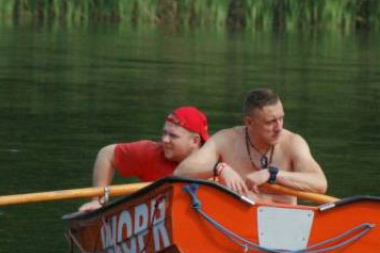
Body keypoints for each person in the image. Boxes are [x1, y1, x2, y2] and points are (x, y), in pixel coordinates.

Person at [174, 88, 327, 203]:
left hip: (283, 228)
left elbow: (320, 184)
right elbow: (180, 172)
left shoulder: (293, 143)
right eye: (270, 122)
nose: (279, 127)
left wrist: (272, 174)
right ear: (249, 122)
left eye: (281, 119)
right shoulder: (225, 140)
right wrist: (220, 168)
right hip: (234, 227)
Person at [78, 106, 209, 212]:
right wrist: (97, 200)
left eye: (173, 136)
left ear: (195, 141)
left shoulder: (217, 160)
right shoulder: (151, 153)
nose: (164, 140)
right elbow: (106, 154)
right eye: (164, 133)